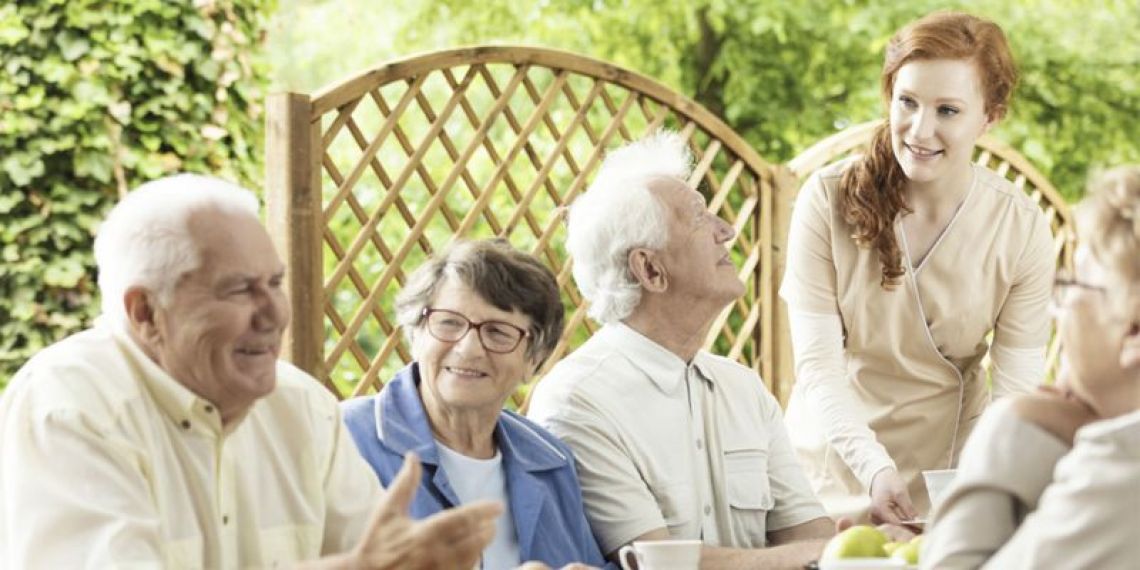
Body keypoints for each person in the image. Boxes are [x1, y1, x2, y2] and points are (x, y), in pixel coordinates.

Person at [0, 174, 501, 568]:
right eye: (239, 290)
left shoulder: (303, 407)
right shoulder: (70, 408)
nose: (274, 314)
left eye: (275, 283)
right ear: (145, 313)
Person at [779, 11, 1055, 523]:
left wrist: (982, 485)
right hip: (831, 475)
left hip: (950, 481)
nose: (920, 129)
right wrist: (873, 468)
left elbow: (1016, 388)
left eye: (948, 110)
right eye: (907, 102)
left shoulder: (1020, 228)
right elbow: (817, 367)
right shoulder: (825, 200)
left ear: (990, 117)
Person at [527, 131, 847, 569]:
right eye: (700, 219)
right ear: (650, 268)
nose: (727, 231)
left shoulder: (743, 389)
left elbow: (815, 539)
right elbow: (657, 564)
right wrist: (811, 553)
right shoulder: (578, 400)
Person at [922, 166, 1140, 569]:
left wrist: (1008, 424)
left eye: (1073, 288)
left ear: (1133, 332)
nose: (1058, 312)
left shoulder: (1120, 470)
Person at [341, 239, 606, 570]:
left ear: (534, 360)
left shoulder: (550, 460)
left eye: (497, 332)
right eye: (449, 323)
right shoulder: (345, 437)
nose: (468, 349)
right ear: (416, 334)